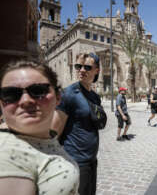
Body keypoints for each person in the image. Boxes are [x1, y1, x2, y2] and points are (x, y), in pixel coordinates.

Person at [0, 60, 79, 195]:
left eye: (38, 90)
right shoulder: (7, 152)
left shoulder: (45, 137)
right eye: (10, 94)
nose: (26, 100)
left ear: (58, 97)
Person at [52, 52, 102, 195]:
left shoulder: (95, 97)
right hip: (75, 161)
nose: (81, 70)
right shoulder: (69, 94)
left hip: (92, 160)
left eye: (87, 67)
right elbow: (55, 132)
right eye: (78, 66)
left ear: (96, 70)